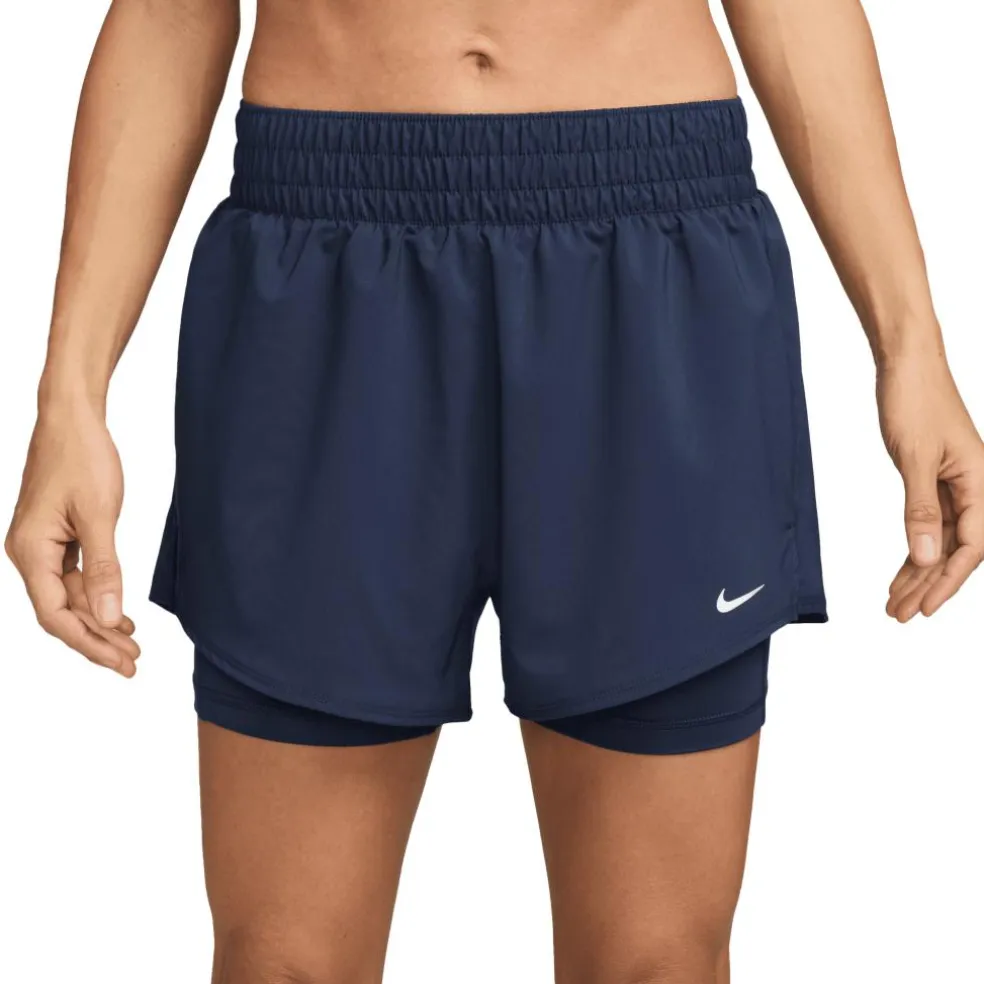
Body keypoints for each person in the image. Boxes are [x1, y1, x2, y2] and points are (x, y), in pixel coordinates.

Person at [6, 0, 983, 981]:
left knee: (658, 963)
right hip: (323, 265)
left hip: (646, 253)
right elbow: (172, 12)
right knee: (281, 963)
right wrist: (71, 396)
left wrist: (912, 347)